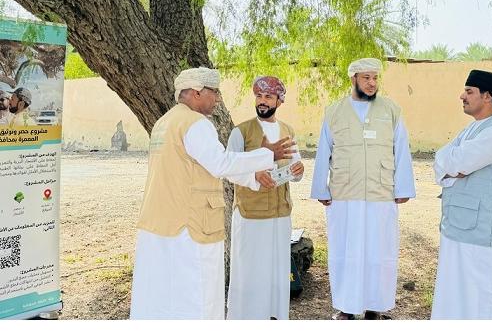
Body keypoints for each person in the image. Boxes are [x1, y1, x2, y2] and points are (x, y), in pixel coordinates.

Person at [129, 67, 295, 320]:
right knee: (199, 295)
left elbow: (205, 166)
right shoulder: (196, 124)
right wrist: (267, 155)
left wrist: (251, 179)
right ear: (197, 92)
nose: (217, 99)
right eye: (214, 92)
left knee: (165, 294)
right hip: (190, 226)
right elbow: (220, 163)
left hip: (161, 223)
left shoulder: (165, 122)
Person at [310, 58, 416, 320]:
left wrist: (403, 187)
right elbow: (324, 151)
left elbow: (401, 149)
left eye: (375, 78)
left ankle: (374, 308)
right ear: (353, 79)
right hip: (345, 194)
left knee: (379, 253)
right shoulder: (334, 112)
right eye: (366, 78)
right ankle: (346, 308)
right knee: (346, 252)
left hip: (381, 194)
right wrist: (320, 189)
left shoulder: (391, 110)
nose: (372, 83)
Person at [431, 69, 492, 320]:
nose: (462, 96)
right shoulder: (471, 130)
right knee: (458, 301)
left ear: (487, 96)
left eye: (469, 92)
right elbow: (440, 163)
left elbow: (455, 162)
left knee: (485, 304)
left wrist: (452, 166)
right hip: (461, 230)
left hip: (486, 238)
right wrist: (451, 166)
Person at [226, 76, 304, 320]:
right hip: (251, 215)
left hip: (280, 215)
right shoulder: (240, 132)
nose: (262, 101)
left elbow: (294, 165)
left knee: (275, 271)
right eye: (259, 96)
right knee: (250, 269)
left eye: (268, 97)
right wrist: (255, 176)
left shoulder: (288, 131)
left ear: (279, 101)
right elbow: (228, 169)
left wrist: (299, 171)